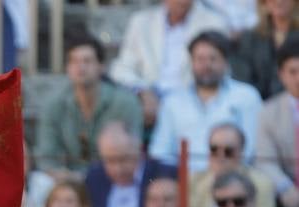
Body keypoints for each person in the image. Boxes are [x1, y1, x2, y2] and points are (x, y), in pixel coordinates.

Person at [148, 31, 264, 174]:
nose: (206, 65)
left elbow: (251, 149)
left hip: (233, 180)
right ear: (192, 62)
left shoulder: (246, 96)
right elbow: (160, 152)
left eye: (213, 59)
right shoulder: (173, 101)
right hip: (184, 182)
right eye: (200, 59)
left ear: (226, 62)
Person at [34, 33, 144, 178]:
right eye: (74, 61)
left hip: (113, 180)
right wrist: (68, 179)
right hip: (67, 183)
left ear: (101, 66)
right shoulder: (54, 105)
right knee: (40, 181)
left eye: (87, 61)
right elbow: (47, 157)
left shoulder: (126, 103)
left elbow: (131, 154)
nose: (80, 67)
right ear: (67, 68)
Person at [108, 0, 227, 128]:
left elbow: (216, 71)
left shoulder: (214, 22)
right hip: (147, 99)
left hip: (191, 101)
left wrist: (175, 103)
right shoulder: (141, 22)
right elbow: (121, 68)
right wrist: (143, 91)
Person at [83, 122, 176, 207]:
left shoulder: (161, 174)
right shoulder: (94, 177)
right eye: (110, 161)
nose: (118, 168)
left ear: (139, 150)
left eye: (124, 159)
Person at [187, 122, 276, 207]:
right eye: (214, 149)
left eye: (228, 151)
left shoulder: (262, 185)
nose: (220, 156)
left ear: (241, 153)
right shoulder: (194, 182)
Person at [255, 34, 299, 207]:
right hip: (286, 193)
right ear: (281, 75)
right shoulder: (268, 111)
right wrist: (286, 188)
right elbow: (265, 160)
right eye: (293, 72)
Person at [229, 0, 298, 100]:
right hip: (258, 105)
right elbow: (242, 78)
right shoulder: (250, 38)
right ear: (264, 2)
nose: (279, 1)